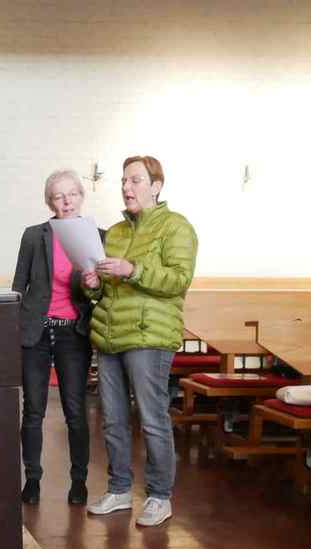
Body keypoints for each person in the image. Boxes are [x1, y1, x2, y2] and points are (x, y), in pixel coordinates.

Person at [82, 155, 198, 527]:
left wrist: (133, 269)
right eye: (123, 180)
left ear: (156, 186)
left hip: (150, 336)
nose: (126, 187)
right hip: (110, 334)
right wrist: (93, 286)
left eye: (134, 180)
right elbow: (105, 292)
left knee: (152, 419)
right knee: (113, 420)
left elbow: (178, 280)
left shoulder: (176, 227)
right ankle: (119, 490)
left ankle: (159, 496)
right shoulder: (115, 233)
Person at [13, 169, 100, 507]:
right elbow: (19, 286)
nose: (66, 202)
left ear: (81, 197)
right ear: (50, 202)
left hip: (73, 333)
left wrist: (96, 285)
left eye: (72, 194)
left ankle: (79, 481)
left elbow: (102, 291)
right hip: (36, 331)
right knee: (33, 410)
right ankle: (32, 479)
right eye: (58, 196)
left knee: (75, 411)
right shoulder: (34, 235)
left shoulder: (97, 236)